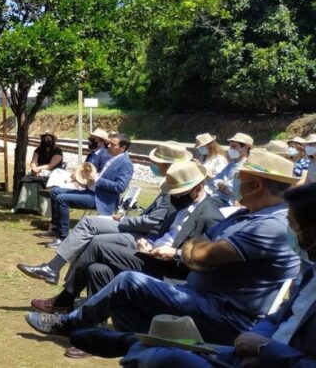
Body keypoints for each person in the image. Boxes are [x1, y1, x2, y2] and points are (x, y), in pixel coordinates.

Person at [24, 149, 301, 347]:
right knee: (116, 290)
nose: (235, 182)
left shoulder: (271, 225)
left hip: (227, 314)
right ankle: (125, 344)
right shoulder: (245, 216)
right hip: (199, 297)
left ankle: (68, 322)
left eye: (241, 177)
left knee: (128, 281)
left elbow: (201, 254)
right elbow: (199, 251)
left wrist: (196, 253)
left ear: (256, 184)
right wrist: (197, 253)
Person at [117, 182, 316, 368]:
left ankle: (86, 328)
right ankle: (93, 333)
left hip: (264, 350)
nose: (289, 230)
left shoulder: (271, 227)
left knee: (164, 355)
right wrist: (251, 342)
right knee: (145, 345)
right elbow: (278, 317)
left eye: (293, 225)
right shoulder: (312, 274)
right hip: (248, 349)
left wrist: (265, 349)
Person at [19, 141, 192, 288]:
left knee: (90, 228)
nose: (154, 165)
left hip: (142, 233)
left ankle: (59, 278)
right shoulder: (172, 183)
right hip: (136, 225)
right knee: (86, 225)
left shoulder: (177, 188)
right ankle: (57, 275)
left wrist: (124, 219)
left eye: (158, 163)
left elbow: (151, 220)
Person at [46, 133, 134, 241]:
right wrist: (86, 179)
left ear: (123, 148)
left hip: (101, 199)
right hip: (92, 191)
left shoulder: (126, 163)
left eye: (113, 144)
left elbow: (120, 187)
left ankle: (63, 238)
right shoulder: (114, 158)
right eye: (109, 143)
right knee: (55, 192)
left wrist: (96, 179)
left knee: (61, 199)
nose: (109, 146)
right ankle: (56, 228)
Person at [12, 131, 64, 213]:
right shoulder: (39, 149)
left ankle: (41, 208)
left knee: (39, 183)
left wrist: (38, 168)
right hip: (39, 172)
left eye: (49, 139)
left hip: (53, 174)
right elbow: (34, 161)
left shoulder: (58, 151)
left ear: (53, 140)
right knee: (25, 181)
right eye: (46, 138)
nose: (47, 140)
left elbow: (50, 165)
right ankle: (24, 206)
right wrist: (34, 168)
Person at [210, 132, 254, 206]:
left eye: (234, 146)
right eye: (230, 146)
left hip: (228, 203)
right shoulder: (232, 164)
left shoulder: (246, 167)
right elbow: (215, 180)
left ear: (245, 148)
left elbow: (232, 191)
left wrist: (221, 184)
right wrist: (222, 185)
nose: (230, 149)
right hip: (217, 199)